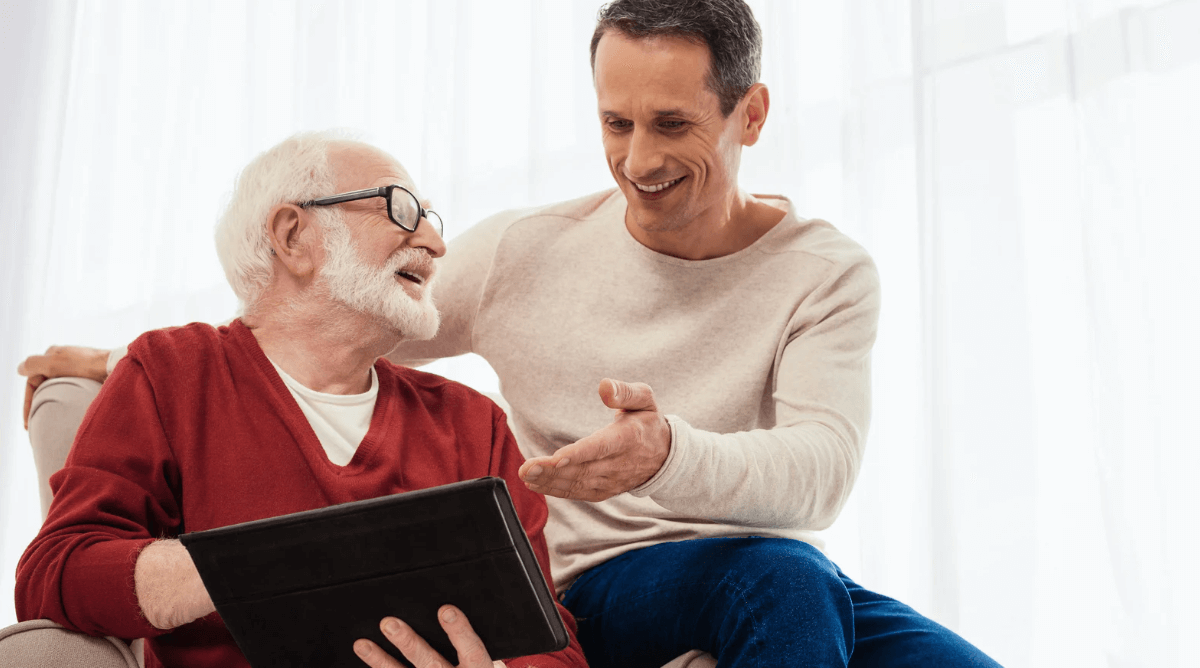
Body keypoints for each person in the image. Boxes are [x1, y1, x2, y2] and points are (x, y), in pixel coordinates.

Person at [19, 2, 1006, 667]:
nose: (637, 158)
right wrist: (121, 362)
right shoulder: (522, 252)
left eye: (670, 124)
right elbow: (319, 315)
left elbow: (821, 469)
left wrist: (664, 451)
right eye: (615, 122)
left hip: (761, 569)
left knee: (826, 597)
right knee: (784, 580)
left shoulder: (824, 271)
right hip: (600, 577)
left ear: (750, 112)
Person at [14, 132, 588, 668]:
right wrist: (267, 568)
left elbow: (553, 640)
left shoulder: (470, 422)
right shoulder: (169, 373)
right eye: (401, 209)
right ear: (293, 236)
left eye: (432, 220)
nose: (436, 244)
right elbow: (55, 572)